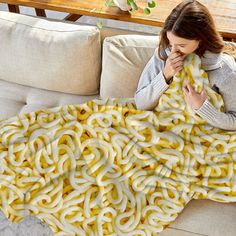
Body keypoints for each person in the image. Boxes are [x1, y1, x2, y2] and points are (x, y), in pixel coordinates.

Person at [134, 0, 236, 130]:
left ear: (201, 39)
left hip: (202, 137)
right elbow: (140, 103)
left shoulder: (224, 69)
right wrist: (165, 76)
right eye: (171, 43)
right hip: (163, 129)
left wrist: (202, 107)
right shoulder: (164, 55)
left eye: (182, 45)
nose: (173, 51)